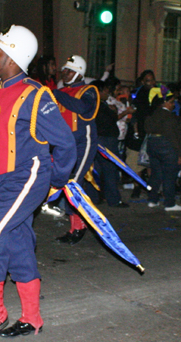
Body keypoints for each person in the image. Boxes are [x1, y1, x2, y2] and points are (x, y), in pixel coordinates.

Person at [0, 25, 76, 342]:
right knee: (18, 244)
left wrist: (56, 180)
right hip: (1, 181)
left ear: (13, 58)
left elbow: (65, 142)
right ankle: (32, 317)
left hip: (28, 178)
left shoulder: (36, 94)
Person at [52, 55, 99, 244]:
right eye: (64, 70)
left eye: (69, 70)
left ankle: (79, 227)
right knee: (65, 183)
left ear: (79, 73)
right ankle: (74, 226)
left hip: (83, 143)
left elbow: (82, 108)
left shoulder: (89, 90)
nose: (65, 73)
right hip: (65, 144)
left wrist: (56, 93)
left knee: (74, 183)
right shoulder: (62, 91)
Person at [145, 86, 181, 211]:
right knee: (169, 175)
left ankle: (152, 199)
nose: (174, 105)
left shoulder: (154, 114)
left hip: (153, 144)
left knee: (156, 174)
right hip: (166, 145)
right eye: (172, 102)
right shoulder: (168, 117)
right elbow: (172, 136)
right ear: (166, 103)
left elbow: (147, 128)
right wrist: (180, 153)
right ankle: (169, 203)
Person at [93, 79, 127, 207]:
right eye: (106, 91)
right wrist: (113, 111)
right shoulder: (100, 106)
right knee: (110, 170)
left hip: (98, 139)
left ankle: (95, 197)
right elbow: (111, 119)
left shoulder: (94, 104)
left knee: (97, 169)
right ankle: (113, 199)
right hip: (106, 140)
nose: (108, 93)